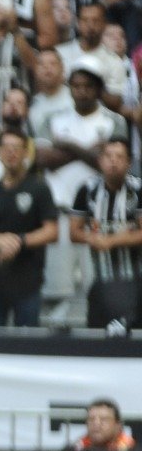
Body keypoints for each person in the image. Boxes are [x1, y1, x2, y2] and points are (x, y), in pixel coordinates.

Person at [0, 130, 59, 327]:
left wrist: (19, 241)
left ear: (26, 153)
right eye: (6, 148)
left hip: (28, 280)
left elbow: (51, 230)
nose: (11, 153)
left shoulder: (39, 187)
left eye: (17, 148)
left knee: (27, 346)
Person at [69, 138, 142, 331]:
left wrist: (111, 240)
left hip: (135, 279)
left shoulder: (138, 190)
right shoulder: (87, 190)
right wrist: (91, 238)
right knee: (98, 336)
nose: (113, 161)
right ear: (100, 160)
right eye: (108, 156)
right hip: (100, 280)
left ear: (129, 162)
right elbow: (73, 231)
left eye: (119, 157)